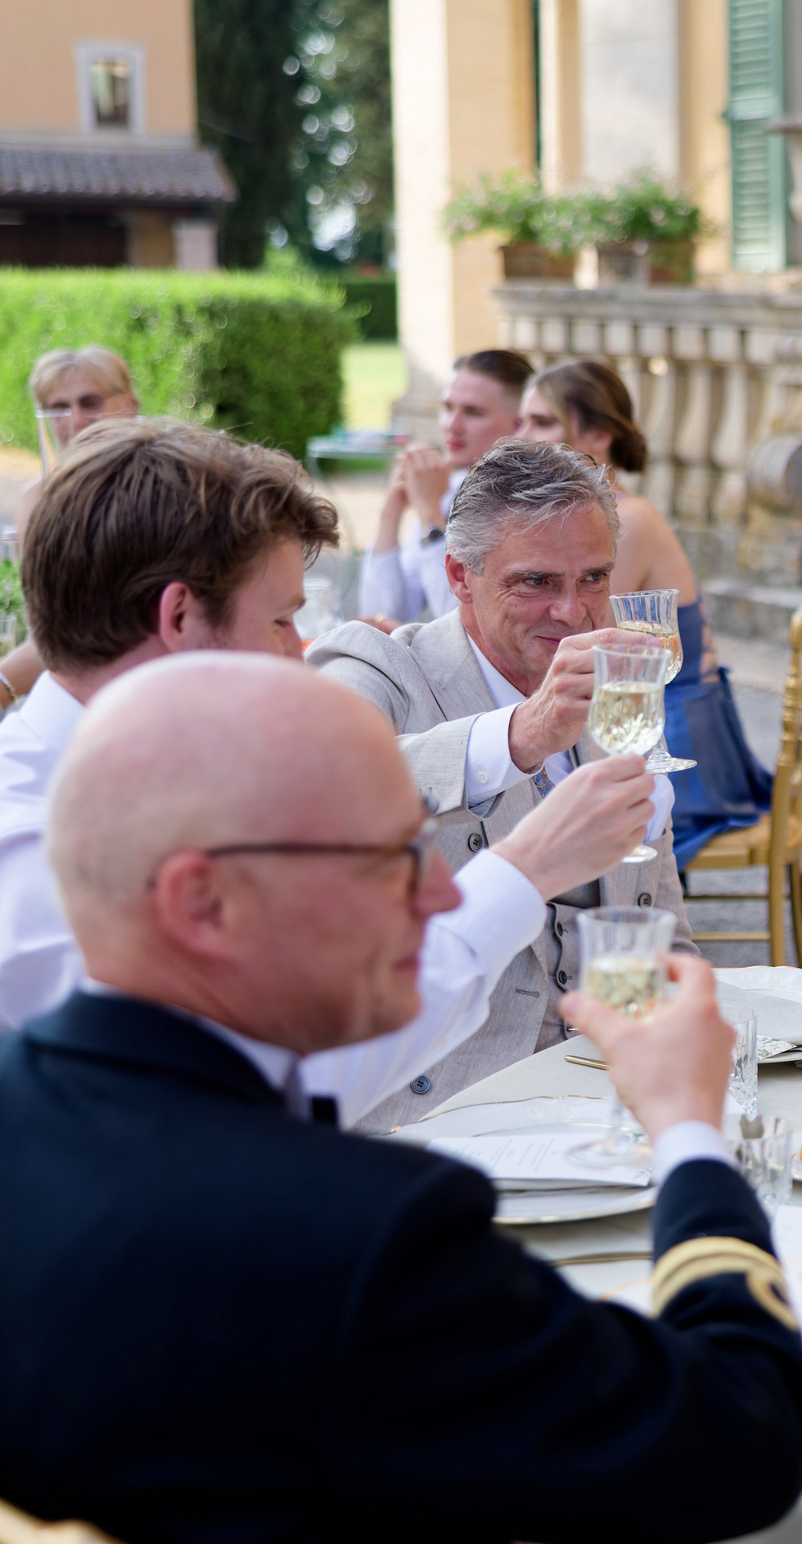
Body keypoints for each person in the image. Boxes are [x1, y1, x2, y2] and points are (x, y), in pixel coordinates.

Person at [0, 653, 802, 1541]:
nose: (439, 892)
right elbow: (742, 1436)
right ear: (204, 900)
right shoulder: (357, 1240)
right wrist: (691, 1134)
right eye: (391, 856)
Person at [0, 419, 653, 1133]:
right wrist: (526, 869)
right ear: (181, 616)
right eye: (282, 619)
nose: (297, 653)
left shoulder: (171, 780)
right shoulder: (25, 858)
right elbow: (261, 1086)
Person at [313, 437, 688, 1129]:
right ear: (459, 575)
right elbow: (323, 786)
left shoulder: (619, 697)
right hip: (449, 1110)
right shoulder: (380, 667)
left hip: (612, 1097)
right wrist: (518, 736)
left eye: (594, 578)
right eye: (536, 582)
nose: (573, 611)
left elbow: (664, 928)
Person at [522, 357, 771, 864]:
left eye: (542, 422)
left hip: (678, 738)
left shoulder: (626, 521)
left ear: (597, 433)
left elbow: (592, 655)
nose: (522, 436)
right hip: (656, 718)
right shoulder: (593, 517)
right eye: (522, 420)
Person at [0, 345, 146, 710]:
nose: (75, 419)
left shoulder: (164, 489)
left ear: (129, 405)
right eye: (57, 408)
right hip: (66, 692)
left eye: (90, 402)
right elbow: (42, 626)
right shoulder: (37, 500)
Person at [361, 347, 531, 626]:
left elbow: (461, 618)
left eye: (473, 412)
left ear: (519, 425)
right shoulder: (450, 487)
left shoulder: (526, 504)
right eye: (448, 407)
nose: (452, 425)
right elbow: (382, 615)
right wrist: (392, 510)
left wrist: (430, 516)